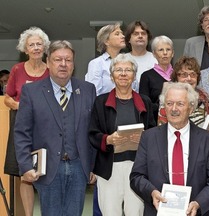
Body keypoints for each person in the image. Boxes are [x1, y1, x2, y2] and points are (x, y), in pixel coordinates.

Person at [14, 40, 97, 215]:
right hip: (48, 168)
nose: (63, 64)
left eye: (68, 60)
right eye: (58, 59)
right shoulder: (31, 92)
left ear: (74, 64)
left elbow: (93, 131)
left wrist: (93, 166)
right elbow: (22, 132)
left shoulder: (88, 90)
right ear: (48, 62)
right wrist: (26, 165)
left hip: (78, 167)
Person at [130, 82, 209, 216]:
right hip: (158, 211)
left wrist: (198, 203)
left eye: (180, 104)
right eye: (169, 103)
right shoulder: (148, 137)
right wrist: (152, 192)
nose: (174, 109)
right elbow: (136, 177)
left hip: (194, 212)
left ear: (191, 108)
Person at [89, 54, 156, 216]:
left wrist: (144, 138)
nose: (123, 74)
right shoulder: (101, 102)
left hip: (138, 168)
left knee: (136, 212)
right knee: (110, 212)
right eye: (119, 70)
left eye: (128, 70)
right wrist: (109, 139)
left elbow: (154, 133)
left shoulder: (145, 101)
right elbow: (92, 133)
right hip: (109, 168)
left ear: (134, 76)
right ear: (112, 76)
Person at [3, 26, 50, 216]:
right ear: (25, 49)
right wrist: (18, 106)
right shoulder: (17, 69)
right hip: (22, 127)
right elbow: (8, 98)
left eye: (39, 44)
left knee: (47, 174)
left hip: (46, 127)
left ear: (45, 47)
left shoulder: (51, 70)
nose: (36, 47)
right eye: (32, 44)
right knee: (26, 175)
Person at [158, 56, 209, 126]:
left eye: (193, 74)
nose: (189, 78)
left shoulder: (206, 98)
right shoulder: (168, 97)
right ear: (176, 77)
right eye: (184, 75)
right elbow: (163, 127)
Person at [139, 35, 174, 121]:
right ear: (154, 54)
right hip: (155, 122)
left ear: (172, 53)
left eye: (168, 49)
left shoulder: (179, 74)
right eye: (161, 50)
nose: (165, 53)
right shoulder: (146, 76)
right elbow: (144, 104)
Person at [87, 23, 126, 95]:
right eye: (117, 34)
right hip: (104, 105)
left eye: (122, 33)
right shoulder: (96, 63)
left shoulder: (128, 62)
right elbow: (93, 93)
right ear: (106, 41)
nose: (123, 36)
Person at [124, 20, 157, 91]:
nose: (140, 36)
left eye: (143, 33)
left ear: (148, 38)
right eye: (136, 34)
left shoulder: (156, 59)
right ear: (129, 39)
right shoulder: (122, 60)